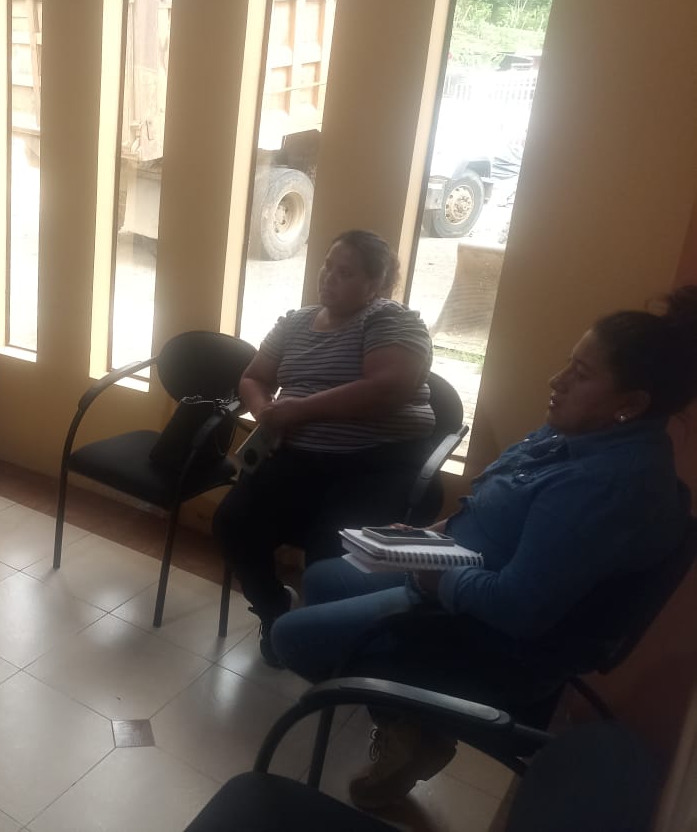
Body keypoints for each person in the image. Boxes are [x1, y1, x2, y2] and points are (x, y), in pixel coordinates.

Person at [270, 287, 697, 809]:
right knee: (320, 578)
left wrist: (436, 575)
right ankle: (405, 718)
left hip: (487, 632)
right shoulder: (584, 435)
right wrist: (429, 536)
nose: (557, 380)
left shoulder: (604, 486)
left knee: (292, 638)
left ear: (629, 405)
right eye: (569, 363)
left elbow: (517, 607)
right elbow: (497, 506)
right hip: (460, 570)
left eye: (581, 374)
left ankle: (415, 720)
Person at [213, 229, 435, 667]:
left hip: (373, 465)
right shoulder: (295, 322)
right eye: (328, 266)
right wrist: (267, 412)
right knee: (232, 524)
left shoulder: (389, 320)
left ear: (374, 285)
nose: (328, 277)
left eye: (345, 272)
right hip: (297, 458)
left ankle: (327, 640)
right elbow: (253, 377)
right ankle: (275, 610)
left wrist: (298, 410)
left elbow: (388, 387)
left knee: (328, 554)